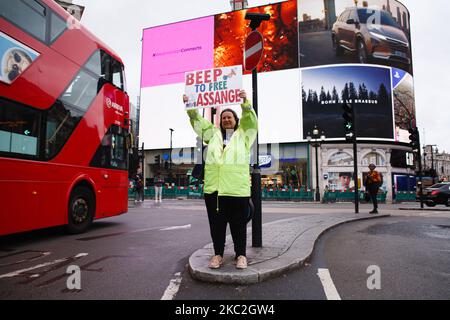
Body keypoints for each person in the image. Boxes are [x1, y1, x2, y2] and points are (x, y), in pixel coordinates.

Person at [184, 90, 257, 270]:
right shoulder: (213, 135)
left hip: (237, 189)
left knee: (238, 226)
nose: (226, 119)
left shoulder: (244, 135)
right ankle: (218, 255)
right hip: (214, 190)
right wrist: (190, 106)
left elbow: (250, 118)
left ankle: (241, 255)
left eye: (229, 117)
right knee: (217, 226)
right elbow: (197, 122)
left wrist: (245, 101)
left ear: (236, 120)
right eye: (223, 117)